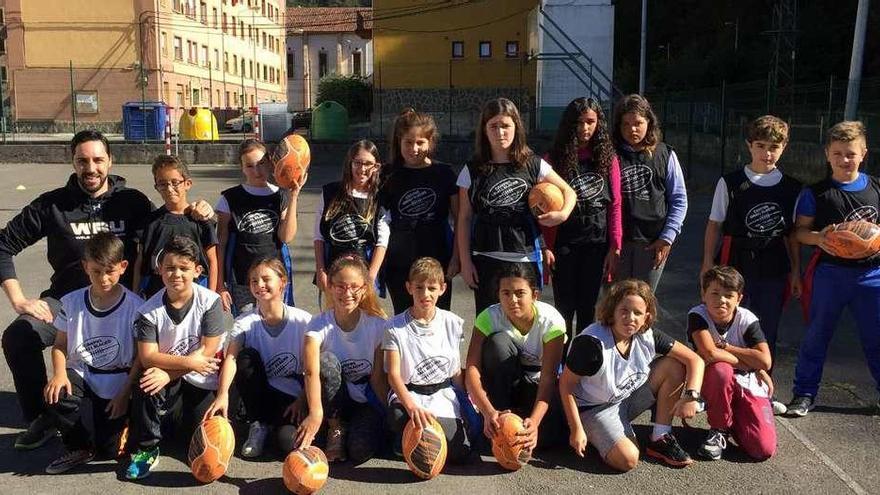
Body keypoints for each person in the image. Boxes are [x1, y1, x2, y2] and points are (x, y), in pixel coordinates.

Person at [0, 130, 153, 450]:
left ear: (111, 161)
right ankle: (43, 415)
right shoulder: (53, 205)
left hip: (121, 303)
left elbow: (166, 231)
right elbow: (3, 245)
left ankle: (148, 413)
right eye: (83, 161)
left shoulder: (132, 202)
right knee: (19, 336)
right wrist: (19, 300)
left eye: (98, 160)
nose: (91, 168)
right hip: (67, 302)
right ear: (72, 162)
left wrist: (197, 212)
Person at [701, 115, 801, 414]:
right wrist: (707, 262)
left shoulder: (792, 188)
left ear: (783, 148)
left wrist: (796, 270)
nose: (767, 153)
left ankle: (762, 391)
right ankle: (717, 387)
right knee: (724, 325)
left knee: (766, 328)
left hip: (773, 264)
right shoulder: (731, 182)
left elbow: (792, 236)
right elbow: (714, 225)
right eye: (761, 146)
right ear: (749, 145)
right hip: (735, 263)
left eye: (774, 147)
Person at [559, 279, 704, 470]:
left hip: (626, 397)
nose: (631, 318)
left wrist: (691, 396)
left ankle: (660, 436)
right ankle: (597, 435)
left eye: (638, 313)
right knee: (628, 459)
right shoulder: (591, 344)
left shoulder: (648, 335)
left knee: (674, 365)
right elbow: (565, 385)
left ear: (647, 316)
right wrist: (576, 429)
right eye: (624, 311)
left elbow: (695, 360)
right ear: (612, 311)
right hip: (594, 409)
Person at [787, 121, 880, 417]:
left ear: (863, 153)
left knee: (876, 336)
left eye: (850, 153)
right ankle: (804, 394)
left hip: (872, 275)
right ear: (827, 154)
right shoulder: (817, 193)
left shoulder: (876, 187)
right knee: (817, 335)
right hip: (831, 274)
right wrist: (820, 238)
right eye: (838, 153)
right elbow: (798, 233)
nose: (844, 160)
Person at [457, 97, 576, 314]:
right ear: (484, 129)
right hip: (486, 257)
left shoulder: (533, 164)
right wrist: (465, 263)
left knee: (525, 323)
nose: (500, 132)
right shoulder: (472, 170)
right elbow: (463, 218)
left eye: (505, 126)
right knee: (489, 326)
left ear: (516, 127)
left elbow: (569, 192)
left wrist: (563, 214)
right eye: (493, 126)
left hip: (525, 257)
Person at [43, 233, 145, 474]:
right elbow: (59, 345)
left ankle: (124, 426)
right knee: (59, 392)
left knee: (108, 451)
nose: (103, 278)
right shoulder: (71, 302)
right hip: (85, 372)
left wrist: (125, 393)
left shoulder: (136, 306)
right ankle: (78, 447)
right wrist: (59, 374)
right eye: (96, 271)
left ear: (123, 267)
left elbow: (141, 356)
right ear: (85, 266)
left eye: (109, 271)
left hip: (119, 378)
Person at [125, 236, 226, 480]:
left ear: (197, 270)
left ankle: (167, 427)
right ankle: (147, 448)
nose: (176, 274)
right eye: (170, 268)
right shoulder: (147, 311)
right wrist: (190, 363)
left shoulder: (210, 301)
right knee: (147, 379)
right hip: (171, 379)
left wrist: (170, 370)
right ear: (160, 270)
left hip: (199, 381)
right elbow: (148, 357)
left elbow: (210, 349)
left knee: (193, 435)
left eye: (184, 268)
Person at [203, 258, 312, 458]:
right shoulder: (243, 322)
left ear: (283, 282)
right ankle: (258, 423)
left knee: (288, 443)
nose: (259, 285)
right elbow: (231, 359)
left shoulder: (303, 321)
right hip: (262, 394)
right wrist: (223, 393)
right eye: (254, 281)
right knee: (245, 357)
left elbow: (315, 368)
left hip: (293, 398)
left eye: (265, 279)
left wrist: (304, 399)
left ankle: (279, 426)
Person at [464, 263, 566, 454]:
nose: (513, 300)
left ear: (534, 295)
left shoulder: (552, 322)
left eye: (520, 293)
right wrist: (488, 412)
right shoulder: (489, 317)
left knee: (548, 439)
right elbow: (472, 368)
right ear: (499, 295)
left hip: (536, 384)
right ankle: (499, 418)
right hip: (503, 383)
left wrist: (534, 423)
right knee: (498, 344)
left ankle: (521, 417)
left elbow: (548, 379)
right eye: (506, 293)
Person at [544, 97, 622, 340]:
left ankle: (583, 365)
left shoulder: (608, 160)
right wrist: (545, 246)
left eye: (590, 122)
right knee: (563, 309)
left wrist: (615, 246)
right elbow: (541, 207)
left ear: (599, 123)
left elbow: (616, 205)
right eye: (578, 122)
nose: (584, 128)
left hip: (596, 245)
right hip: (564, 245)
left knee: (589, 309)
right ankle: (559, 365)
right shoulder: (552, 159)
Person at [300, 254, 387, 463]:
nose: (347, 293)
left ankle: (355, 429)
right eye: (340, 286)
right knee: (327, 361)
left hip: (364, 399)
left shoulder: (378, 326)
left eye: (354, 286)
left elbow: (377, 379)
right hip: (332, 402)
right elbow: (311, 372)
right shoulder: (317, 325)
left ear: (364, 288)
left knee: (359, 452)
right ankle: (334, 427)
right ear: (329, 286)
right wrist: (315, 413)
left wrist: (393, 416)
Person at [384, 257, 471, 462]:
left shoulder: (452, 322)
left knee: (461, 452)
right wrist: (412, 407)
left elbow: (456, 369)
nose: (425, 294)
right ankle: (405, 439)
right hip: (411, 393)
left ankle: (421, 438)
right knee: (398, 416)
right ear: (409, 288)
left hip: (442, 393)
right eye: (419, 287)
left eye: (432, 288)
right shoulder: (394, 327)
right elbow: (394, 376)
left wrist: (466, 402)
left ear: (442, 288)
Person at [688, 266, 776, 461]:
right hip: (713, 379)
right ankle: (719, 429)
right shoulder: (698, 315)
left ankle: (735, 419)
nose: (721, 300)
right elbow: (709, 353)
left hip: (745, 382)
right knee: (721, 370)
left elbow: (765, 361)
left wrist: (727, 347)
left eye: (729, 295)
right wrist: (747, 364)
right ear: (703, 294)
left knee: (763, 449)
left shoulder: (747, 319)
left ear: (739, 299)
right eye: (715, 293)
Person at [380, 109, 459, 314]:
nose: (414, 148)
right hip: (399, 264)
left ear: (430, 143)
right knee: (404, 322)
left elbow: (461, 219)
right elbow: (376, 220)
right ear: (399, 141)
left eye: (420, 142)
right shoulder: (387, 174)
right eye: (408, 142)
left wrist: (456, 258)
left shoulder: (444, 173)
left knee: (436, 320)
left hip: (437, 258)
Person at [216, 138, 304, 314]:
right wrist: (220, 284)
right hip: (242, 278)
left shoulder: (281, 196)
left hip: (273, 277)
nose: (257, 171)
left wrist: (293, 196)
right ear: (241, 168)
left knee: (275, 323)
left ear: (271, 163)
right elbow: (221, 244)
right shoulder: (229, 199)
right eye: (249, 166)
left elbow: (286, 237)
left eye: (261, 163)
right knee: (247, 328)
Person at [612, 94, 688, 292]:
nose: (632, 129)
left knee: (642, 302)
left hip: (653, 243)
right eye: (625, 124)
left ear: (649, 122)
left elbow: (679, 199)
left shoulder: (665, 153)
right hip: (619, 243)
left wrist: (667, 237)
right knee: (614, 303)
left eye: (638, 123)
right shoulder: (610, 154)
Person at [134, 155, 219, 298]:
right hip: (157, 295)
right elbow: (139, 262)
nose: (169, 188)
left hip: (195, 295)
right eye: (162, 184)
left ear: (187, 183)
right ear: (156, 187)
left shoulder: (201, 220)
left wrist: (211, 297)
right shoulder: (150, 223)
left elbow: (212, 261)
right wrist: (136, 295)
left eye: (175, 182)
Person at [314, 140, 389, 297]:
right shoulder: (330, 192)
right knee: (334, 319)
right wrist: (321, 270)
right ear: (350, 163)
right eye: (358, 163)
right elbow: (319, 236)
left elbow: (382, 242)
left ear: (376, 167)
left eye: (368, 163)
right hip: (333, 270)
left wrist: (371, 276)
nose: (362, 169)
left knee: (363, 319)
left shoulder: (380, 198)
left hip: (364, 271)